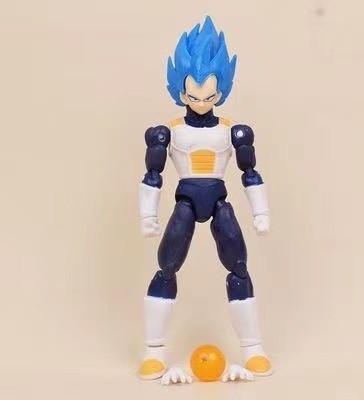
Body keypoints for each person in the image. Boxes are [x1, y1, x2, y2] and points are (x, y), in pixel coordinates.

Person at [138, 16, 271, 381]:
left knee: (238, 266)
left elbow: (250, 172)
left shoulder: (233, 132)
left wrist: (260, 212)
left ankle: (253, 348)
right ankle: (153, 350)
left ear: (221, 92)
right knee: (167, 266)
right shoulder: (168, 132)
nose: (200, 102)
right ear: (179, 91)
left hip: (217, 201)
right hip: (185, 201)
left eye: (209, 96)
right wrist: (147, 215)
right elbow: (153, 175)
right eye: (193, 95)